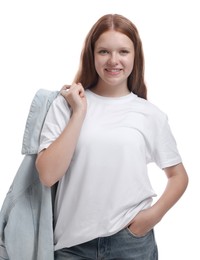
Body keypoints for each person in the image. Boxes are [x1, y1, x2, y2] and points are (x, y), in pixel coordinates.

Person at [35, 13, 188, 260]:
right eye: (104, 51)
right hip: (72, 247)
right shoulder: (66, 105)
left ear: (135, 55)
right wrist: (79, 113)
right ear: (91, 55)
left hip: (131, 244)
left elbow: (178, 176)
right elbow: (47, 175)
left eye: (123, 52)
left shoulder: (149, 114)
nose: (113, 60)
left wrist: (150, 218)